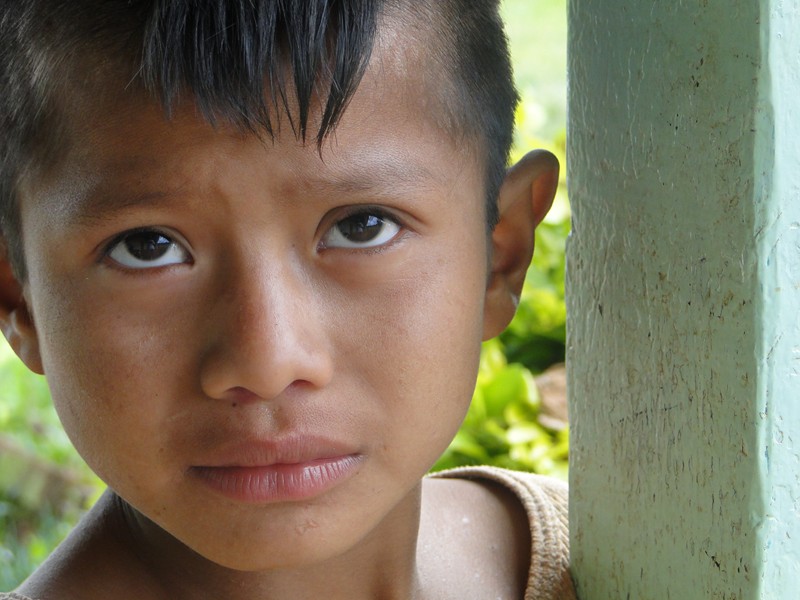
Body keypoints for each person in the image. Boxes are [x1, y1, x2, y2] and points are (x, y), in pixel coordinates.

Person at [0, 0, 573, 598]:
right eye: (147, 246)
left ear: (499, 257)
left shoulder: (611, 559)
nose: (267, 363)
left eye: (362, 226)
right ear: (18, 295)